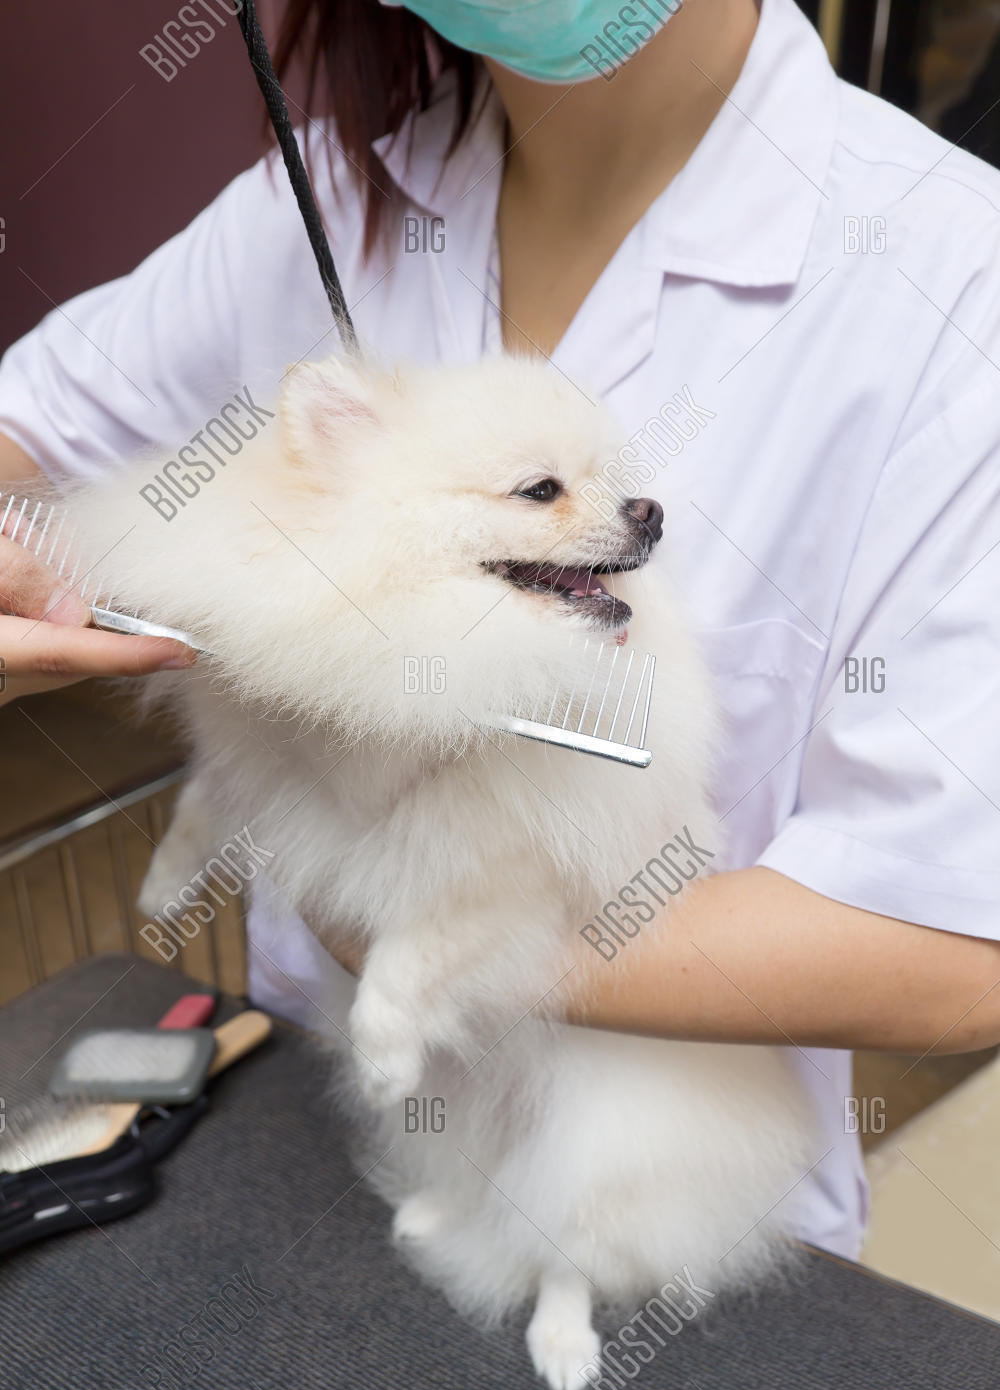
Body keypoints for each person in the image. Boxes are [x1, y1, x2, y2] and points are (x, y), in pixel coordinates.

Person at [2, 0, 1000, 1261]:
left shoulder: (957, 282)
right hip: (306, 1133)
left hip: (641, 1194)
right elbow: (37, 423)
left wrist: (425, 938)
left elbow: (953, 940)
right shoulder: (321, 195)